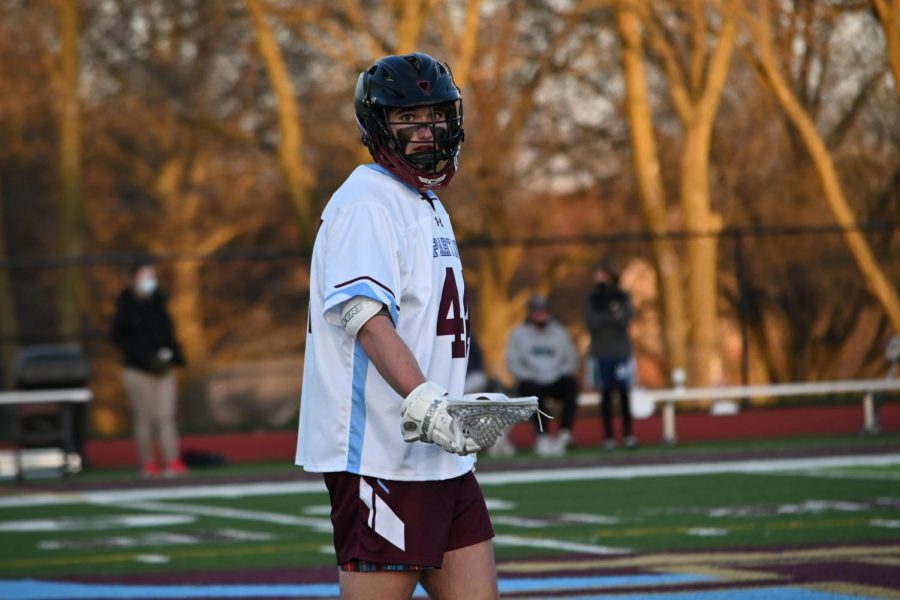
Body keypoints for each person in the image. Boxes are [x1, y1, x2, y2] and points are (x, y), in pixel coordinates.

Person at [295, 53, 498, 600]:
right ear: (378, 124)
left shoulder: (423, 200)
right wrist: (424, 398)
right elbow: (365, 315)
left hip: (439, 454)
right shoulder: (368, 202)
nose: (425, 129)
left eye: (433, 115)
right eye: (407, 118)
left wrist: (449, 404)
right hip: (381, 454)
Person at [111, 260, 189, 477]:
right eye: (145, 276)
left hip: (163, 369)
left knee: (166, 415)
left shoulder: (159, 302)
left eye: (152, 276)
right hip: (138, 370)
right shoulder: (125, 306)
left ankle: (172, 461)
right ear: (133, 278)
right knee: (145, 417)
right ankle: (148, 463)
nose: (150, 281)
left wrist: (173, 357)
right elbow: (120, 338)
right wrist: (146, 359)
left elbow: (168, 334)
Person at [504, 295, 579, 457]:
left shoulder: (560, 332)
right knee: (533, 392)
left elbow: (571, 359)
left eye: (543, 311)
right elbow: (512, 362)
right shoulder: (519, 334)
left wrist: (557, 374)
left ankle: (565, 433)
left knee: (571, 385)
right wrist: (528, 375)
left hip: (556, 378)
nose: (540, 315)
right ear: (530, 314)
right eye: (536, 312)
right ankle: (542, 436)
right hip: (532, 380)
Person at [584, 261, 637, 449]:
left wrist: (606, 318)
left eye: (602, 274)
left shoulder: (623, 297)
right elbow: (592, 322)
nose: (599, 279)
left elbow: (625, 319)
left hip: (621, 352)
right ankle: (609, 436)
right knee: (605, 395)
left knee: (624, 394)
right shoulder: (592, 299)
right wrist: (611, 317)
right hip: (601, 353)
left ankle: (629, 434)